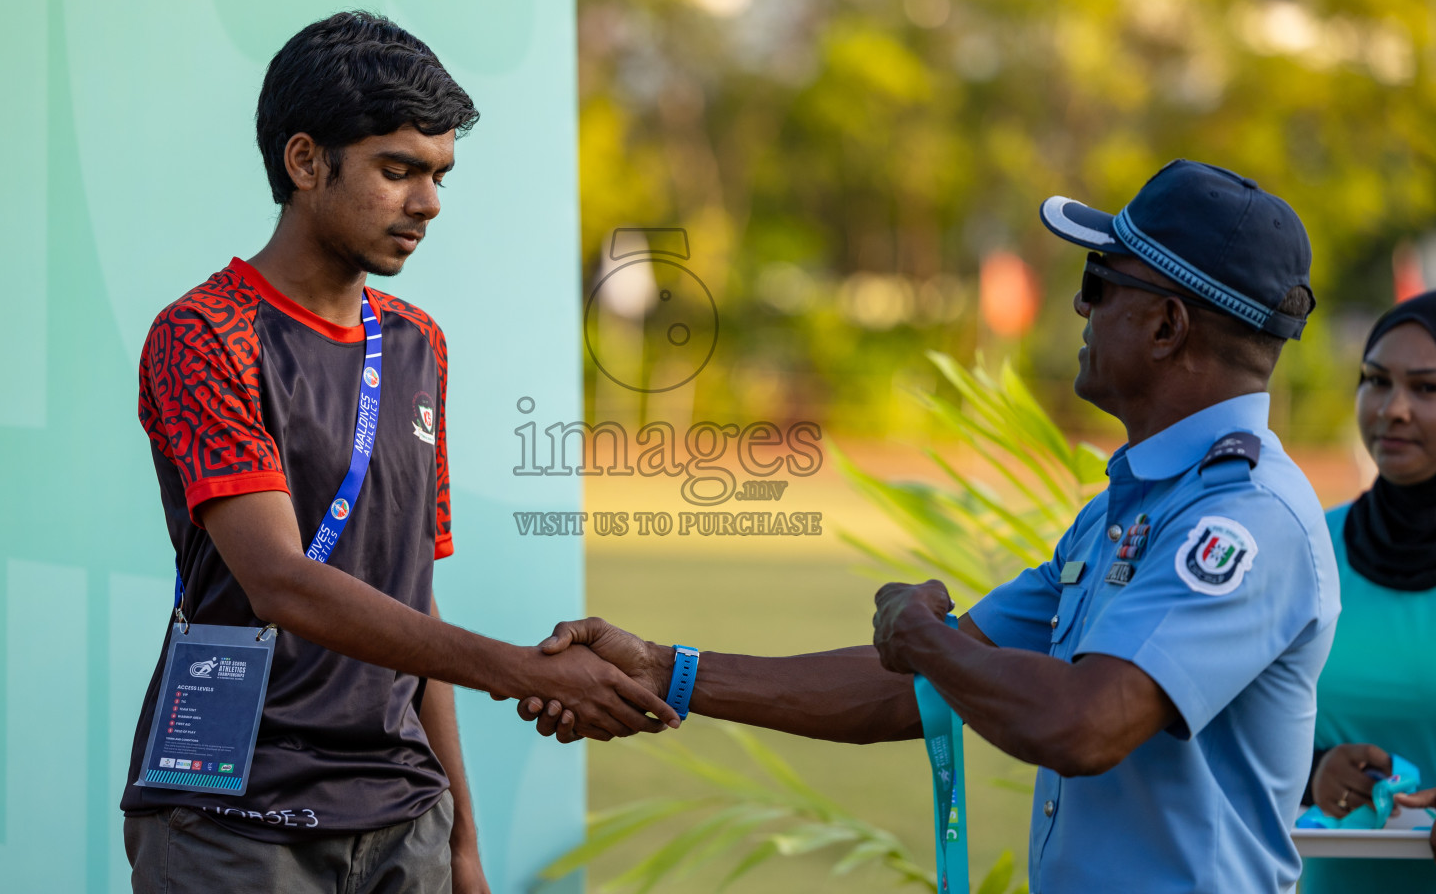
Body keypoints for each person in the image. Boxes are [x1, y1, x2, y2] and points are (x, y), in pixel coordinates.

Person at [519, 161, 1337, 894]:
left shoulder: (1244, 519)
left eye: (1100, 278)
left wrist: (923, 640)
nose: (1082, 304)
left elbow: (1083, 725)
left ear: (1166, 325)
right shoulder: (1132, 505)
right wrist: (664, 671)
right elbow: (917, 690)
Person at [120, 12, 677, 894]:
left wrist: (461, 841)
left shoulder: (418, 344)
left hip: (405, 819)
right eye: (398, 170)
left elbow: (410, 597)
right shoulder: (202, 334)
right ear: (306, 163)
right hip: (232, 820)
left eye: (439, 175)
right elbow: (280, 581)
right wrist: (527, 672)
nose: (428, 204)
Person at [1302, 291, 1436, 890]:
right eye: (1376, 381)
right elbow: (1239, 723)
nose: (1393, 410)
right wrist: (1313, 773)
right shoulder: (1306, 548)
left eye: (1427, 389)